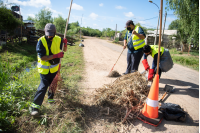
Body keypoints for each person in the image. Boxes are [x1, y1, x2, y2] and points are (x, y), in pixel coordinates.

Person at [31, 23, 68, 116]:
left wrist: (65, 44)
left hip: (54, 67)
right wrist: (56, 56)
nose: (49, 35)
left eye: (51, 33)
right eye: (48, 33)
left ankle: (50, 99)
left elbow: (65, 50)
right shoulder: (41, 41)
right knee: (43, 86)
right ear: (44, 31)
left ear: (55, 32)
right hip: (44, 70)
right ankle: (35, 108)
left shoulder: (58, 39)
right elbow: (43, 57)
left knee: (53, 84)